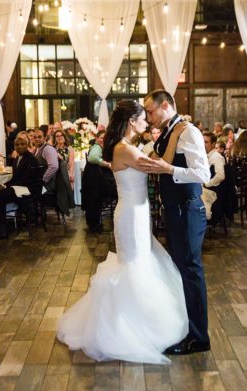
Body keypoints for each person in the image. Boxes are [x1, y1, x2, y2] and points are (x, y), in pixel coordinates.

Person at [57, 100, 187, 364]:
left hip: (138, 212)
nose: (146, 121)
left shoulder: (128, 147)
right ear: (131, 121)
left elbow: (151, 161)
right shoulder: (122, 149)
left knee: (139, 261)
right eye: (142, 118)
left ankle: (138, 319)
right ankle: (128, 327)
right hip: (130, 215)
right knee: (133, 264)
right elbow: (158, 165)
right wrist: (174, 135)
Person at [138, 90, 211, 355]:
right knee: (181, 270)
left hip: (188, 210)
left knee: (191, 271)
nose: (149, 117)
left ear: (165, 106)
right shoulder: (168, 131)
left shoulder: (187, 131)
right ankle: (186, 328)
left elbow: (203, 173)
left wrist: (168, 170)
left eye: (150, 111)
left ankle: (199, 337)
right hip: (175, 211)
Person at [0, 136, 40, 239]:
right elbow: (14, 179)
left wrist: (4, 186)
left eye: (22, 144)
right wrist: (1, 185)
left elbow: (26, 180)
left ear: (27, 145)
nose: (19, 147)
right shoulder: (16, 160)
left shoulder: (31, 159)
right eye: (17, 145)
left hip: (27, 189)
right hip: (18, 187)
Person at [81, 131, 114, 232]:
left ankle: (94, 223)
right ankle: (94, 224)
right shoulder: (96, 147)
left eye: (105, 138)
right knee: (96, 198)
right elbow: (92, 158)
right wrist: (107, 164)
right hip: (93, 181)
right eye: (101, 137)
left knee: (96, 200)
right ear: (96, 139)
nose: (103, 140)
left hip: (94, 180)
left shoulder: (101, 148)